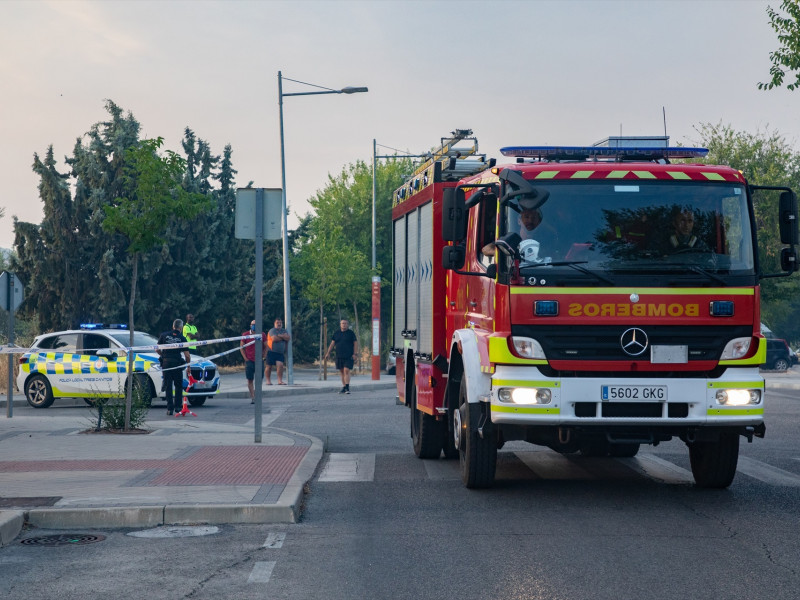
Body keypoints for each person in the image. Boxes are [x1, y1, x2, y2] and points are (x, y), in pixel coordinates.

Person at [158, 319, 191, 416]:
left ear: (173, 326)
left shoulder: (164, 335)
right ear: (180, 328)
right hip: (177, 364)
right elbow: (187, 355)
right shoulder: (182, 338)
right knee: (178, 386)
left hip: (166, 363)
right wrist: (188, 366)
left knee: (168, 386)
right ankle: (178, 407)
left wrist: (163, 356)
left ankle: (169, 409)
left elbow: (157, 348)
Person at [324, 318, 359, 394]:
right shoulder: (336, 333)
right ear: (340, 324)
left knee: (346, 370)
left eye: (345, 323)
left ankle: (347, 387)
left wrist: (355, 354)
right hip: (339, 355)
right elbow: (332, 344)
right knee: (342, 372)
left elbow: (355, 343)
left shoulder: (351, 333)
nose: (344, 325)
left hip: (349, 355)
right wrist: (328, 353)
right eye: (342, 323)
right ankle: (344, 387)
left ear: (348, 325)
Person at [240, 319, 268, 403]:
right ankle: (253, 397)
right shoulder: (245, 334)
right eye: (253, 324)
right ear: (250, 325)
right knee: (250, 379)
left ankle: (257, 395)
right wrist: (245, 358)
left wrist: (264, 356)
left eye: (256, 324)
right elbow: (241, 347)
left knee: (259, 379)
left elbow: (266, 346)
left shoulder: (262, 334)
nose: (254, 326)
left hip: (259, 361)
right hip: (249, 361)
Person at [266, 318, 291, 385]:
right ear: (274, 323)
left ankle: (280, 381)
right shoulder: (272, 330)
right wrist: (283, 337)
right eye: (277, 322)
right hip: (271, 351)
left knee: (280, 365)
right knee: (269, 366)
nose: (279, 324)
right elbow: (274, 339)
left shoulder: (284, 330)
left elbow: (288, 338)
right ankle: (268, 381)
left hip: (280, 352)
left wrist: (279, 336)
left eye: (280, 322)